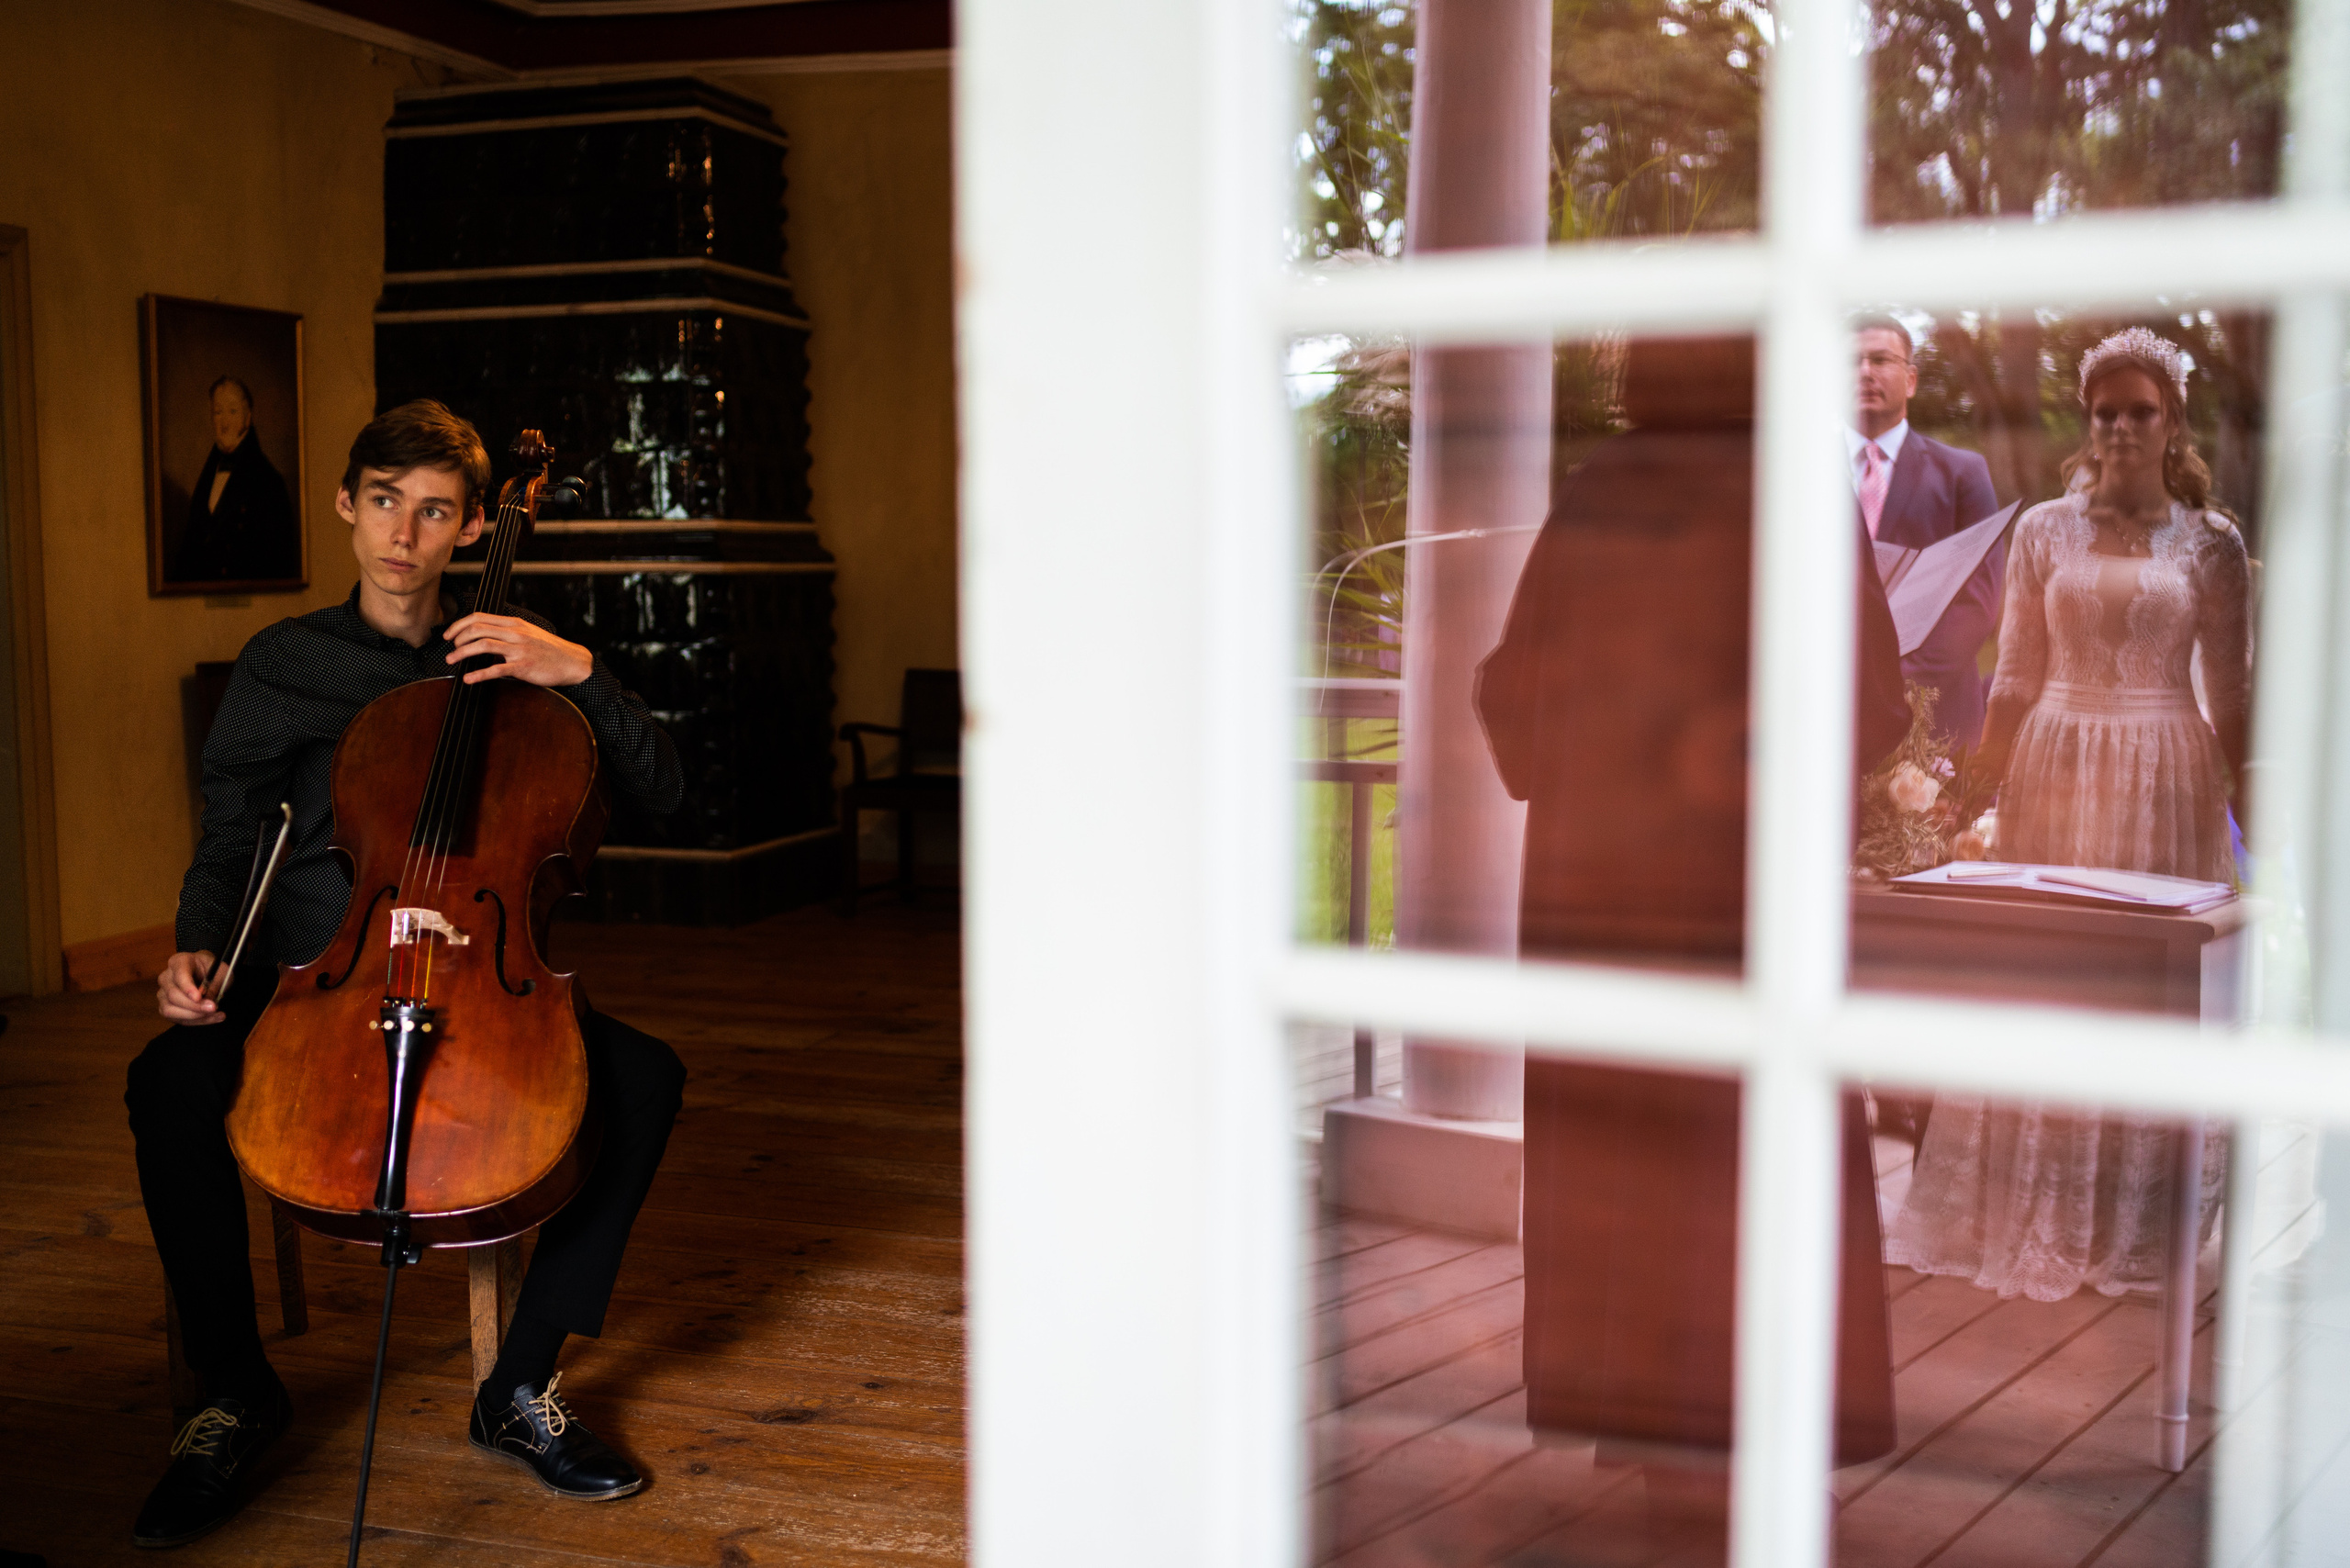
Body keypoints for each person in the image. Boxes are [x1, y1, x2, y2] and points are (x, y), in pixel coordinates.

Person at [126, 400, 687, 1547]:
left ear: (473, 525)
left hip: (481, 975)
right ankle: (235, 1392)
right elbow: (230, 827)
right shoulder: (286, 662)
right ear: (346, 503)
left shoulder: (512, 656)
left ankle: (518, 1387)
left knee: (645, 1080)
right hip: (308, 977)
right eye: (384, 501)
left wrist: (574, 667)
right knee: (165, 1085)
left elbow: (666, 787)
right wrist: (197, 947)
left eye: (435, 512)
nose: (403, 533)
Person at [1475, 336, 1907, 1469]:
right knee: (1753, 1143)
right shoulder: (1799, 498)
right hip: (1746, 902)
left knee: (1624, 1143)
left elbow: (1512, 698)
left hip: (1601, 903)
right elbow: (1874, 705)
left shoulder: (1597, 494)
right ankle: (1762, 1407)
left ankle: (1624, 1403)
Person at [1886, 328, 2247, 1302]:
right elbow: (2013, 677)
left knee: (2147, 993)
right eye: (2105, 412)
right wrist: (1974, 791)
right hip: (2054, 764)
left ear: (2170, 421)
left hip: (2165, 771)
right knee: (2041, 978)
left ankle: (2129, 1221)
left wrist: (2253, 802)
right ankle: (2024, 1206)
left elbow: (2235, 688)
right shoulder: (2043, 529)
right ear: (2086, 422)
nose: (2121, 426)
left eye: (2140, 411)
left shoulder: (2212, 542)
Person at [1850, 315, 2005, 747]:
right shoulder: (1798, 470)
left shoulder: (1963, 474)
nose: (1864, 372)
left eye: (1880, 359)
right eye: (1851, 361)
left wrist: (1892, 688)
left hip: (1935, 722)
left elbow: (1980, 600)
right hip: (1823, 711)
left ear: (1911, 379)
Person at [174, 376, 301, 585]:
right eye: (218, 412)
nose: (224, 423)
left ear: (248, 418)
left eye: (232, 412)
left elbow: (277, 563)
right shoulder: (207, 477)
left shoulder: (270, 483)